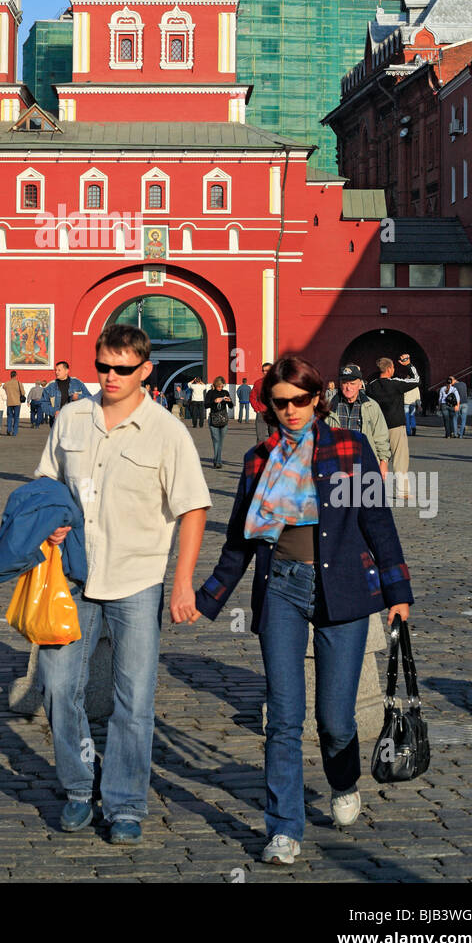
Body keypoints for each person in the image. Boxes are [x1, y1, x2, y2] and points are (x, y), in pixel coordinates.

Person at [196, 353, 413, 865]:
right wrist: (207, 597)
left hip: (345, 590)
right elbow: (238, 540)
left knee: (336, 719)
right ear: (269, 405)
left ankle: (342, 779)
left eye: (300, 400)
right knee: (284, 717)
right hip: (282, 591)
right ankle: (284, 827)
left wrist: (398, 592)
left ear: (317, 398)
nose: (291, 410)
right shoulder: (258, 459)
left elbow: (377, 521)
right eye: (281, 402)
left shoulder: (349, 448)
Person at [35, 323, 210, 845]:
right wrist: (51, 517)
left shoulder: (166, 431)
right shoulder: (70, 419)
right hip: (71, 575)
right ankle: (76, 786)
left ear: (145, 370)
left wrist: (183, 583)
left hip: (137, 578)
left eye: (122, 369)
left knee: (134, 699)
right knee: (58, 687)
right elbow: (45, 481)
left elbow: (194, 507)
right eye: (103, 367)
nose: (110, 377)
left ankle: (127, 803)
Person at [366, 358, 419, 500]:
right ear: (389, 369)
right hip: (396, 425)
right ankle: (402, 491)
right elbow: (416, 380)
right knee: (400, 459)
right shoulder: (396, 384)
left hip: (377, 426)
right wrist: (408, 364)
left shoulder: (371, 386)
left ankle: (374, 490)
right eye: (393, 367)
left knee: (378, 458)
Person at [325, 364, 389, 477]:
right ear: (340, 384)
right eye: (345, 383)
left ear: (360, 384)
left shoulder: (371, 406)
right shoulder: (328, 406)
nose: (348, 387)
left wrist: (383, 463)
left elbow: (380, 436)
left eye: (352, 383)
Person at [40, 360, 91, 425]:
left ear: (66, 371)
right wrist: (54, 412)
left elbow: (89, 398)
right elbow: (43, 403)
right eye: (55, 370)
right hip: (57, 422)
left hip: (76, 421)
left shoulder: (77, 383)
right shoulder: (50, 386)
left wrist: (79, 397)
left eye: (59, 370)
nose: (56, 372)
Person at [205, 377, 234, 469]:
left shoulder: (225, 392)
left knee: (220, 441)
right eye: (219, 386)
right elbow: (206, 405)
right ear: (216, 384)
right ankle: (218, 461)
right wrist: (214, 401)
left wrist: (229, 402)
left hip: (223, 419)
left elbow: (231, 407)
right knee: (216, 440)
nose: (221, 387)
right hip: (213, 419)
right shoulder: (210, 392)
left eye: (222, 386)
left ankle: (217, 460)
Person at [397, 353, 420, 436]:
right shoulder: (415, 386)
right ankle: (413, 427)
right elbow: (418, 395)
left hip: (406, 402)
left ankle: (408, 431)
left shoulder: (405, 384)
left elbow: (403, 393)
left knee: (406, 417)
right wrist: (419, 404)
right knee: (412, 416)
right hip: (413, 402)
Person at [250, 362, 273, 441]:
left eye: (267, 370)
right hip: (261, 414)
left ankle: (272, 453)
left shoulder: (277, 382)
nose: (265, 372)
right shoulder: (258, 383)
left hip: (273, 414)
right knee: (260, 439)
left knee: (274, 439)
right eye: (263, 371)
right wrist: (257, 409)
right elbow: (252, 397)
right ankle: (260, 453)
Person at [4, 370, 26, 436]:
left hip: (9, 402)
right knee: (16, 417)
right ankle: (15, 432)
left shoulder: (6, 383)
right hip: (17, 402)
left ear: (10, 375)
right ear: (16, 375)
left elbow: (3, 390)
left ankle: (9, 430)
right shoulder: (19, 383)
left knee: (9, 417)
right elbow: (23, 393)